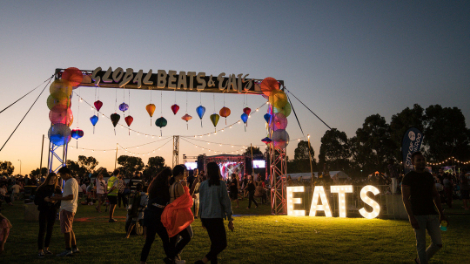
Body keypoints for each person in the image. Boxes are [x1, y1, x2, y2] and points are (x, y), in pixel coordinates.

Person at [401, 152, 447, 264]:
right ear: (413, 162)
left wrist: (441, 212)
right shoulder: (408, 177)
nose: (422, 162)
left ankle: (419, 261)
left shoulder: (428, 176)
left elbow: (435, 195)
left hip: (432, 213)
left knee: (438, 243)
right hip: (418, 215)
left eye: (423, 160)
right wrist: (411, 217)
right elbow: (405, 199)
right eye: (418, 160)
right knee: (421, 244)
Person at [194, 162, 234, 264]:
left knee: (214, 243)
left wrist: (202, 218)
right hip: (215, 217)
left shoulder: (203, 185)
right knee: (222, 244)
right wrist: (230, 218)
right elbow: (226, 202)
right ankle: (203, 261)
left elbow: (201, 202)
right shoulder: (220, 184)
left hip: (206, 217)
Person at [140, 169, 174, 264]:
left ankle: (142, 261)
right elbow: (165, 200)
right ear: (167, 176)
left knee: (149, 241)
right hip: (157, 216)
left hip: (149, 214)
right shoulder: (162, 186)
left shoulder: (154, 184)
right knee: (165, 239)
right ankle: (170, 259)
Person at [50, 167, 80, 257]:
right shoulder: (74, 180)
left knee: (66, 230)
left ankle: (68, 249)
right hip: (72, 208)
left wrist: (57, 198)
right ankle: (74, 248)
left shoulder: (69, 182)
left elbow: (70, 196)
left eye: (62, 175)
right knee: (70, 229)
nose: (61, 177)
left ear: (66, 173)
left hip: (67, 208)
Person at [168, 165, 192, 263]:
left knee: (174, 237)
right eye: (184, 171)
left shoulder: (172, 185)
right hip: (179, 214)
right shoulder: (178, 185)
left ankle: (173, 259)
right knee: (187, 237)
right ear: (180, 173)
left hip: (172, 212)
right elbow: (185, 200)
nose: (186, 173)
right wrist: (186, 188)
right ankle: (172, 256)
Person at [34, 172, 61, 258]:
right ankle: (40, 250)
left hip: (53, 210)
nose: (53, 181)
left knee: (50, 229)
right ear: (48, 179)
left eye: (54, 180)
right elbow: (36, 201)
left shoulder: (57, 189)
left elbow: (60, 201)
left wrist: (55, 202)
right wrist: (44, 199)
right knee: (42, 230)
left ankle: (46, 248)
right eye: (51, 179)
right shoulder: (42, 188)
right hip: (44, 210)